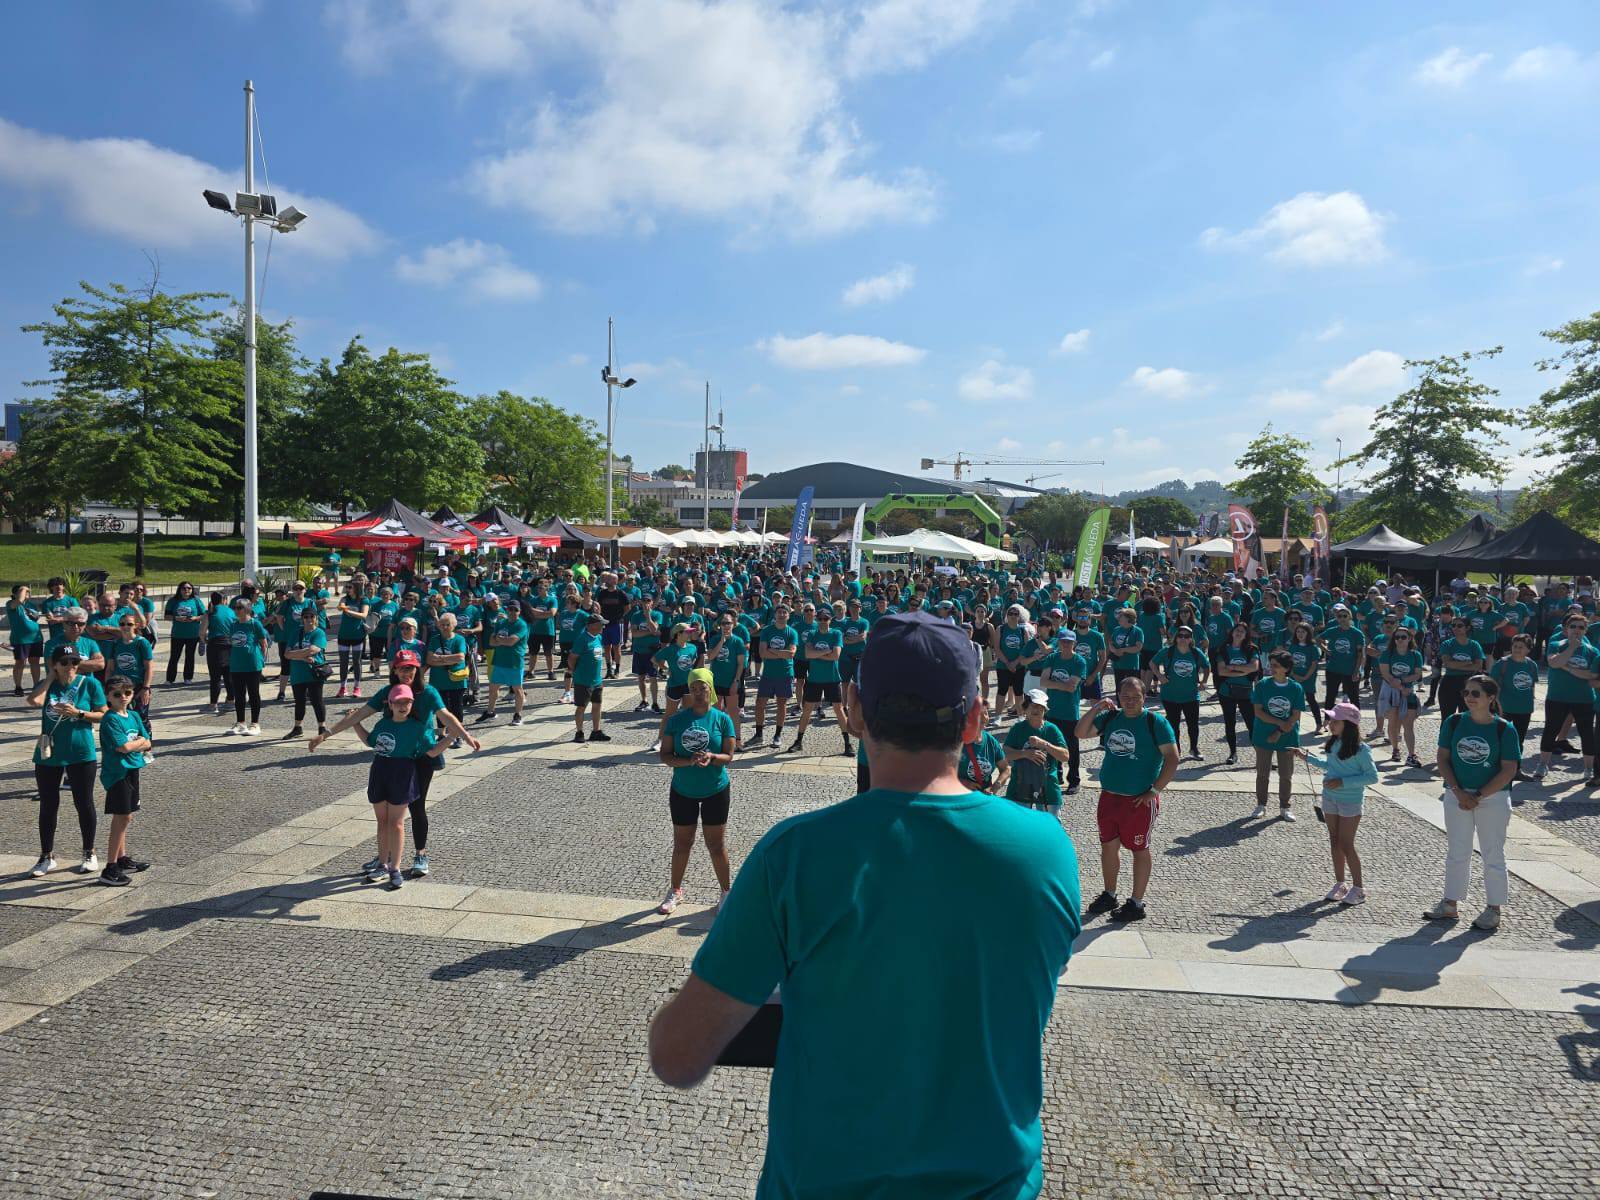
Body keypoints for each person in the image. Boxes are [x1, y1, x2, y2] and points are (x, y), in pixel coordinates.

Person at [648, 611, 1080, 1198]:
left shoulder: (792, 856)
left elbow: (676, 1056)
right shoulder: (1046, 850)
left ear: (853, 709)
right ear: (976, 718)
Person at [312, 650, 481, 879]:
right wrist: (326, 734)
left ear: (417, 669)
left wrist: (466, 736)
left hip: (422, 755)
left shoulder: (428, 692)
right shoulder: (387, 692)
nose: (406, 673)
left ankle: (420, 854)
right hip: (394, 758)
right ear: (395, 670)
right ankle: (386, 856)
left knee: (416, 806)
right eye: (402, 668)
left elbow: (446, 715)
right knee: (388, 813)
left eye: (410, 668)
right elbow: (359, 715)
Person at [1076, 677, 1178, 923]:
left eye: (1135, 697)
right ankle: (1110, 894)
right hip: (1110, 796)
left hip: (1138, 801)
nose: (1130, 701)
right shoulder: (1111, 718)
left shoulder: (1156, 722)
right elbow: (1080, 732)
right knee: (1108, 846)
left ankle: (1136, 903)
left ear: (1144, 698)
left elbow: (1173, 758)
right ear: (1118, 696)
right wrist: (1097, 707)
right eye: (1125, 696)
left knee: (1139, 849)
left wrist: (1154, 791)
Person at [1425, 673, 1522, 931]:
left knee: (1493, 853)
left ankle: (1494, 909)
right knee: (1457, 850)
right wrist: (1458, 791)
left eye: (1475, 693)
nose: (1469, 697)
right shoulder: (1454, 722)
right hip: (1457, 794)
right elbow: (1442, 758)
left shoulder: (1504, 729)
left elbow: (1509, 770)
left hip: (1493, 798)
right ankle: (1450, 903)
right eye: (1466, 692)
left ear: (1491, 697)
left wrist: (1478, 796)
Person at [340, 683, 448, 891]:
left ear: (412, 704)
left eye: (406, 702)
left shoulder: (416, 727)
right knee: (382, 822)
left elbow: (432, 752)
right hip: (380, 773)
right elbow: (369, 741)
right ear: (389, 704)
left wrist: (452, 736)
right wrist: (355, 723)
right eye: (397, 702)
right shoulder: (383, 724)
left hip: (402, 775)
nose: (402, 706)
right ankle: (383, 863)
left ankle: (395, 868)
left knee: (396, 823)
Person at [656, 667, 738, 914]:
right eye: (694, 688)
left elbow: (729, 756)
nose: (699, 693)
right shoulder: (676, 720)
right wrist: (687, 761)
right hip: (683, 790)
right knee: (682, 843)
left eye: (703, 688)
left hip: (715, 789)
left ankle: (726, 893)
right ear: (689, 692)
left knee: (716, 845)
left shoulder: (722, 719)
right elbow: (665, 756)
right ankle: (675, 891)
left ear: (710, 689)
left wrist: (712, 757)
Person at [26, 646, 107, 878]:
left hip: (80, 752)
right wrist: (50, 677)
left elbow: (103, 714)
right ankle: (46, 856)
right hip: (49, 753)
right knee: (48, 805)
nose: (70, 666)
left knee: (84, 802)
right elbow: (34, 701)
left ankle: (89, 852)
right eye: (64, 662)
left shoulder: (89, 684)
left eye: (74, 662)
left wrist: (79, 713)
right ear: (54, 664)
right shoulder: (47, 685)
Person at [1297, 701, 1377, 906]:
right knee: (1334, 841)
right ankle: (1341, 884)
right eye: (1331, 720)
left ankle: (1359, 889)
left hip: (1350, 801)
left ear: (1348, 725)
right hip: (1330, 798)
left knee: (1347, 844)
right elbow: (1329, 765)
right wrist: (1306, 758)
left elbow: (1372, 777)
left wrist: (1342, 782)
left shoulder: (1362, 749)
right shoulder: (1333, 743)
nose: (1330, 724)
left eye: (1335, 721)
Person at [97, 674, 153, 886]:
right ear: (108, 696)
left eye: (127, 693)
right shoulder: (110, 719)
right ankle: (110, 867)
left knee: (126, 816)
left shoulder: (133, 715)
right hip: (117, 773)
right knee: (122, 817)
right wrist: (139, 743)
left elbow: (148, 742)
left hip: (132, 769)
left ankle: (121, 858)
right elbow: (124, 746)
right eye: (117, 694)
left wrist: (139, 743)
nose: (123, 697)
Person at [1533, 613, 1598, 785]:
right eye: (1573, 626)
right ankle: (1542, 765)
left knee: (1586, 734)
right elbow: (1553, 663)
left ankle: (1588, 769)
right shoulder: (1556, 644)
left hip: (1584, 699)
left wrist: (1567, 668)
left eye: (1581, 627)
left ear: (1585, 630)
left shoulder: (1592, 651)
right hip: (1557, 697)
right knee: (1550, 730)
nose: (1577, 630)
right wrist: (1570, 648)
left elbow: (1591, 675)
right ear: (1566, 629)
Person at [786, 607, 852, 756]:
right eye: (820, 619)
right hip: (814, 678)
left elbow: (836, 656)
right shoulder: (812, 633)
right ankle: (798, 741)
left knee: (839, 710)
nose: (822, 621)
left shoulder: (836, 633)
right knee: (807, 710)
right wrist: (826, 651)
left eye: (825, 619)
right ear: (817, 619)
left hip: (832, 678)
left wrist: (817, 654)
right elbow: (808, 654)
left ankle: (847, 744)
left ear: (830, 620)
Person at [1251, 649, 1306, 820]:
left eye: (1275, 665)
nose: (1271, 668)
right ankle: (1261, 804)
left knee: (1286, 774)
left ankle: (1285, 806)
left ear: (1286, 668)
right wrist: (1280, 723)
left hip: (1288, 737)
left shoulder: (1296, 688)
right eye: (1271, 664)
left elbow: (1295, 715)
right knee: (1262, 773)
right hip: (1263, 735)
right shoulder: (1262, 685)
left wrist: (1279, 731)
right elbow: (1258, 712)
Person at [1033, 629, 1086, 792]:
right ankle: (1057, 775)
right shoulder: (1052, 658)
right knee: (1052, 745)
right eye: (1063, 641)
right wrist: (1062, 685)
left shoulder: (1079, 661)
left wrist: (1054, 683)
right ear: (1059, 642)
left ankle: (1074, 780)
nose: (1066, 644)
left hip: (1069, 711)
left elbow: (1072, 687)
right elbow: (1043, 682)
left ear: (1074, 643)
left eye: (1069, 642)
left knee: (1072, 748)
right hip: (1052, 710)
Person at [1001, 689, 1072, 810]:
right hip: (1019, 786)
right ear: (1025, 708)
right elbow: (1006, 753)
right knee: (1020, 821)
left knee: (1049, 822)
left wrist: (1045, 744)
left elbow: (1065, 756)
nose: (1036, 710)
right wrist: (1025, 754)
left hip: (1048, 787)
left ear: (1045, 710)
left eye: (1040, 707)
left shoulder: (1052, 730)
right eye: (1033, 706)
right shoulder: (1017, 729)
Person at [1150, 625, 1207, 761]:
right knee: (1173, 724)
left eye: (1186, 636)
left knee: (1193, 724)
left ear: (1191, 639)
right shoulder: (1167, 651)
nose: (1183, 638)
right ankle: (1177, 750)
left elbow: (1207, 666)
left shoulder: (1196, 652)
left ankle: (1194, 748)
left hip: (1191, 695)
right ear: (1176, 638)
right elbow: (1152, 663)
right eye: (1180, 635)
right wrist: (1159, 676)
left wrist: (1204, 682)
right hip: (1170, 695)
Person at [751, 603, 800, 750]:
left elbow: (791, 654)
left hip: (785, 673)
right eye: (779, 612)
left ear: (788, 615)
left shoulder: (792, 632)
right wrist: (781, 653)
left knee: (781, 704)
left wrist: (772, 650)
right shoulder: (767, 630)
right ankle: (758, 735)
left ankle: (777, 735)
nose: (781, 614)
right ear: (775, 614)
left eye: (784, 612)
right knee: (760, 703)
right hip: (768, 673)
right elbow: (762, 653)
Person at [1489, 634, 1538, 778]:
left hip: (1524, 709)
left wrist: (1531, 702)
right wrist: (1495, 705)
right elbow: (1492, 686)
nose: (1517, 649)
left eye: (1521, 647)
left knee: (1518, 741)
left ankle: (1516, 770)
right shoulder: (1502, 664)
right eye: (1515, 646)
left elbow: (1532, 686)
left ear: (1528, 649)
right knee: (1498, 740)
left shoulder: (1532, 665)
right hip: (1504, 708)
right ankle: (1494, 769)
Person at [476, 599, 530, 727]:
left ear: (519, 611)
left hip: (514, 661)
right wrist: (502, 640)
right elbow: (491, 641)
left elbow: (511, 641)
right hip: (499, 660)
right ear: (506, 610)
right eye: (510, 609)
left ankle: (518, 715)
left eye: (515, 610)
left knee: (517, 690)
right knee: (493, 688)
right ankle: (490, 712)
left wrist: (499, 639)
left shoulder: (521, 624)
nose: (512, 612)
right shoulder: (501, 623)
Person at [1376, 627, 1425, 768]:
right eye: (1397, 637)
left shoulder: (1416, 655)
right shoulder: (1387, 654)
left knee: (1408, 724)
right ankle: (1395, 749)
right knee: (1393, 722)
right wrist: (1401, 687)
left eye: (1403, 637)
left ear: (1409, 638)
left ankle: (1411, 755)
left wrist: (1404, 682)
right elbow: (1386, 674)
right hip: (1391, 691)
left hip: (1408, 692)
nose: (1400, 640)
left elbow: (1417, 674)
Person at [281, 603, 331, 740]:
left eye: (311, 616)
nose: (309, 619)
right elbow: (286, 654)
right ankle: (298, 728)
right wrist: (303, 658)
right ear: (302, 619)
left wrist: (295, 654)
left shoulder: (319, 633)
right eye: (306, 617)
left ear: (316, 618)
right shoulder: (295, 632)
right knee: (299, 701)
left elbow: (313, 650)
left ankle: (322, 728)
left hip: (314, 672)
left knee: (317, 700)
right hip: (297, 673)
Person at [225, 596, 270, 736]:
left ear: (247, 609)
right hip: (236, 665)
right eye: (235, 607)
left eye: (239, 608)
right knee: (239, 695)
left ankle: (255, 724)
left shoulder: (255, 624)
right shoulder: (233, 625)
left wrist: (262, 660)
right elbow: (231, 641)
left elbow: (264, 643)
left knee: (253, 693)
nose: (236, 610)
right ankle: (240, 723)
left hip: (252, 664)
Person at [1215, 623, 1259, 766]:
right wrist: (1244, 670)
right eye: (1237, 630)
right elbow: (1221, 671)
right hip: (1226, 692)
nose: (1239, 633)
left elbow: (1254, 667)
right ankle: (1232, 753)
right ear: (1232, 632)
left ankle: (1260, 754)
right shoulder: (1223, 649)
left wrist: (1233, 667)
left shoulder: (1251, 649)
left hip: (1246, 692)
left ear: (1246, 635)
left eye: (1242, 631)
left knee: (1252, 724)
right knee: (1230, 723)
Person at [107, 609, 155, 734]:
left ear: (136, 625)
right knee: (121, 716)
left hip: (138, 686)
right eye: (122, 624)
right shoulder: (115, 643)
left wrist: (146, 688)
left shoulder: (142, 643)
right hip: (119, 686)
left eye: (129, 624)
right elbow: (110, 668)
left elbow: (149, 667)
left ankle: (146, 743)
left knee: (141, 717)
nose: (125, 627)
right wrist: (107, 688)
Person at [425, 611, 472, 737]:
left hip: (456, 680)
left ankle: (458, 734)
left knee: (457, 707)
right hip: (438, 680)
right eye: (442, 625)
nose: (445, 627)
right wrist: (449, 660)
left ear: (454, 625)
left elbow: (460, 657)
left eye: (447, 624)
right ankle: (441, 733)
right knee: (440, 707)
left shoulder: (459, 639)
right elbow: (429, 660)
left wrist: (439, 658)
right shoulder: (434, 639)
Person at [705, 613, 748, 749]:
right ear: (720, 626)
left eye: (728, 623)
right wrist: (721, 641)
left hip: (731, 682)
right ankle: (716, 740)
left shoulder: (738, 641)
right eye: (723, 623)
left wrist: (736, 681)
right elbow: (710, 657)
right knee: (716, 712)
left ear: (733, 624)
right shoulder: (714, 639)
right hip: (716, 681)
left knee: (733, 712)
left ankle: (737, 740)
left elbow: (740, 664)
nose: (726, 626)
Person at [570, 610, 612, 744]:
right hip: (583, 680)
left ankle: (596, 731)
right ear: (591, 625)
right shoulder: (582, 639)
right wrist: (575, 672)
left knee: (597, 705)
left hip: (597, 680)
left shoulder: (598, 637)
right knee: (581, 707)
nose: (603, 627)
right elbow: (572, 658)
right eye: (601, 624)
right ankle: (579, 732)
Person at [1435, 617, 1486, 720]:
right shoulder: (1447, 644)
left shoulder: (1474, 645)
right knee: (1447, 718)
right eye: (1453, 625)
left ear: (1467, 628)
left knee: (1467, 718)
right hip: (1449, 683)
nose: (1455, 628)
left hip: (1469, 684)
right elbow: (1448, 664)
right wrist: (1468, 663)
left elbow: (1478, 666)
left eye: (1459, 626)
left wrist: (1456, 664)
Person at [162, 581, 203, 685]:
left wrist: (195, 618)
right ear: (179, 590)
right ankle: (170, 679)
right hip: (177, 634)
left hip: (193, 634)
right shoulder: (173, 600)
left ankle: (188, 678)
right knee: (174, 657)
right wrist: (176, 618)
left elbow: (204, 615)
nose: (186, 590)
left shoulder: (196, 600)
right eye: (184, 588)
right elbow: (166, 616)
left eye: (189, 588)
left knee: (190, 657)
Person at [334, 579, 369, 698]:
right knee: (343, 662)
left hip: (358, 635)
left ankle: (357, 688)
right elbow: (340, 606)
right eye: (347, 587)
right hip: (343, 635)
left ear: (356, 588)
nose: (347, 589)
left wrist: (349, 611)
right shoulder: (345, 598)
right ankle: (342, 688)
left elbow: (364, 615)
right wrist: (344, 608)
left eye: (350, 587)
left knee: (356, 662)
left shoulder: (364, 600)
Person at [8, 584, 45, 695]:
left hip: (36, 638)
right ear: (15, 594)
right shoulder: (11, 604)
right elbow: (19, 600)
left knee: (35, 662)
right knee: (20, 662)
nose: (26, 593)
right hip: (20, 640)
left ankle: (36, 685)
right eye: (24, 592)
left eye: (27, 592)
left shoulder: (31, 605)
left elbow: (36, 617)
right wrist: (24, 588)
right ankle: (18, 687)